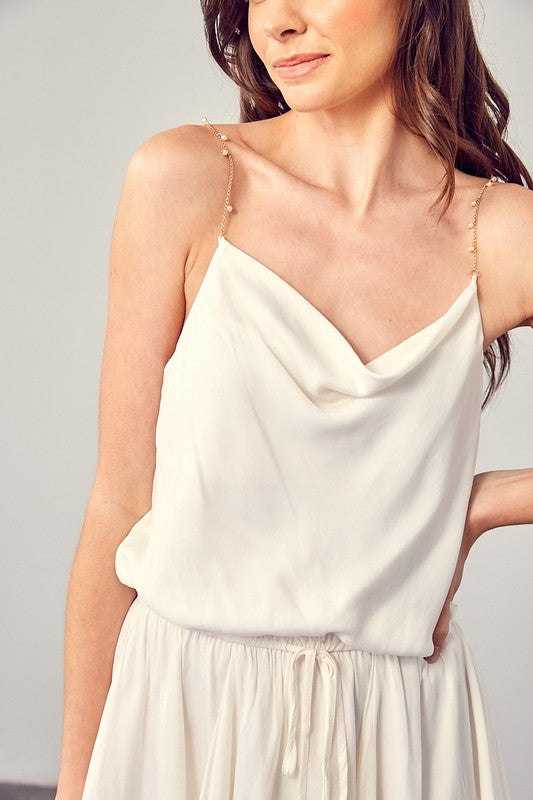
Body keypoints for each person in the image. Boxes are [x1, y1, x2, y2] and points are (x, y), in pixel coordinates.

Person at [55, 0, 533, 798]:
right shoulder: (187, 180)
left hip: (396, 736)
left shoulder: (500, 233)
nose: (273, 21)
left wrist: (484, 504)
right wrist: (76, 787)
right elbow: (118, 502)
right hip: (182, 722)